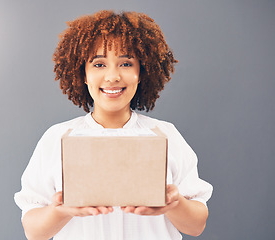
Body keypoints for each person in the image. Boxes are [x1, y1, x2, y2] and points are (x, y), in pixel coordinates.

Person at [14, 10, 213, 240]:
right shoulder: (57, 138)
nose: (112, 76)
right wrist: (59, 212)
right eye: (99, 64)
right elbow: (32, 231)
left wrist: (174, 204)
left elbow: (196, 226)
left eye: (126, 63)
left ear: (142, 72)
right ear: (84, 75)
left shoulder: (165, 135)